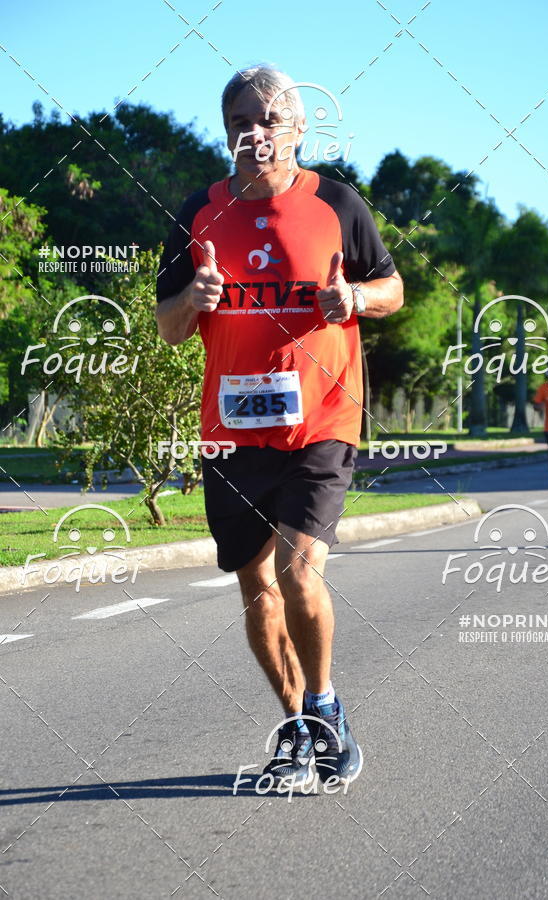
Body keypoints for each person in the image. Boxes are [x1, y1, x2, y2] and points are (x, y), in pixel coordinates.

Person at [155, 66, 403, 787]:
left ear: (297, 126)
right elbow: (169, 329)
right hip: (232, 431)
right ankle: (294, 725)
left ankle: (326, 711)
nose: (254, 133)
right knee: (257, 591)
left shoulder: (337, 204)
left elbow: (391, 288)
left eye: (268, 119)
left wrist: (352, 297)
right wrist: (194, 299)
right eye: (240, 122)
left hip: (322, 419)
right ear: (226, 132)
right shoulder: (198, 213)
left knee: (298, 571)